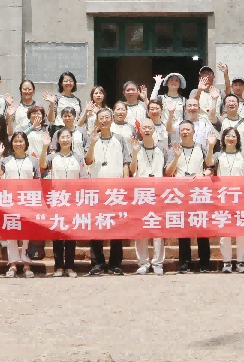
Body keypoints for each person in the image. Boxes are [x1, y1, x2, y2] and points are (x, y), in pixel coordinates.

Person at [85, 107, 130, 275]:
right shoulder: (92, 138)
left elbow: (126, 162)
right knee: (96, 225)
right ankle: (97, 262)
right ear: (97, 121)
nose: (104, 120)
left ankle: (115, 263)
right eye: (101, 118)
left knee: (116, 226)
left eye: (106, 117)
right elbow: (88, 160)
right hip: (96, 189)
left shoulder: (119, 138)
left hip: (116, 190)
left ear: (111, 120)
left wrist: (126, 184)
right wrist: (92, 142)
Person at [168, 120, 214, 274]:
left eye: (188, 129)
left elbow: (211, 167)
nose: (185, 132)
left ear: (194, 131)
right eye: (182, 130)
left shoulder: (201, 148)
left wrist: (204, 174)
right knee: (183, 230)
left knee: (202, 229)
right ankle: (184, 263)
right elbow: (168, 172)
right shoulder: (174, 149)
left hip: (199, 193)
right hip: (180, 194)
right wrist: (176, 157)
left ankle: (204, 263)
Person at [47, 126, 87, 278]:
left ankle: (70, 266)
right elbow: (42, 166)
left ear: (71, 139)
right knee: (57, 234)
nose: (65, 140)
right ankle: (58, 266)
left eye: (67, 137)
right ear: (58, 140)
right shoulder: (52, 157)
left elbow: (84, 178)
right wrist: (45, 147)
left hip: (73, 200)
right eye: (62, 137)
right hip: (56, 199)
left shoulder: (78, 157)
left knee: (71, 234)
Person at [129, 125, 169, 276]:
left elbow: (166, 171)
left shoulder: (161, 149)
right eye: (144, 127)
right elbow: (132, 170)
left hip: (158, 192)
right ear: (140, 130)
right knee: (141, 229)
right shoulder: (135, 147)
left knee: (158, 229)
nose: (146, 130)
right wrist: (134, 153)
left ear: (153, 130)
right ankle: (143, 263)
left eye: (149, 127)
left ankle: (158, 262)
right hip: (141, 193)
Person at [212, 126, 244, 273]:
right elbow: (210, 164)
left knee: (241, 231)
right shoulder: (218, 155)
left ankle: (241, 262)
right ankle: (227, 262)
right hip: (223, 197)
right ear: (223, 139)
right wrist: (210, 146)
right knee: (225, 232)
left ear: (238, 139)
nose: (231, 138)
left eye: (234, 136)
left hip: (240, 197)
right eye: (228, 136)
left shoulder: (243, 155)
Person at [1, 131, 42, 277]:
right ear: (11, 143)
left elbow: (37, 180)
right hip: (10, 200)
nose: (18, 143)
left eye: (21, 141)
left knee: (26, 233)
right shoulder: (5, 160)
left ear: (26, 143)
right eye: (15, 141)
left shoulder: (33, 161)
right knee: (11, 232)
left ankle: (26, 264)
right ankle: (12, 264)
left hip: (28, 200)